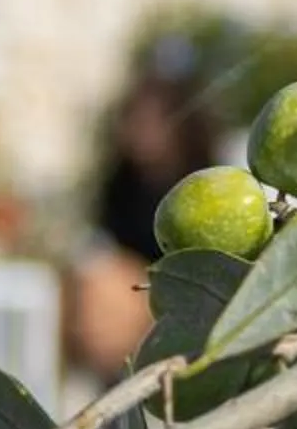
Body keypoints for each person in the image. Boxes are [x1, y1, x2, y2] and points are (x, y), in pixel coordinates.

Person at [62, 45, 222, 383]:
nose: (141, 132)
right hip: (131, 304)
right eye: (134, 120)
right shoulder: (119, 185)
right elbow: (103, 247)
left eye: (152, 121)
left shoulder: (207, 184)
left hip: (182, 307)